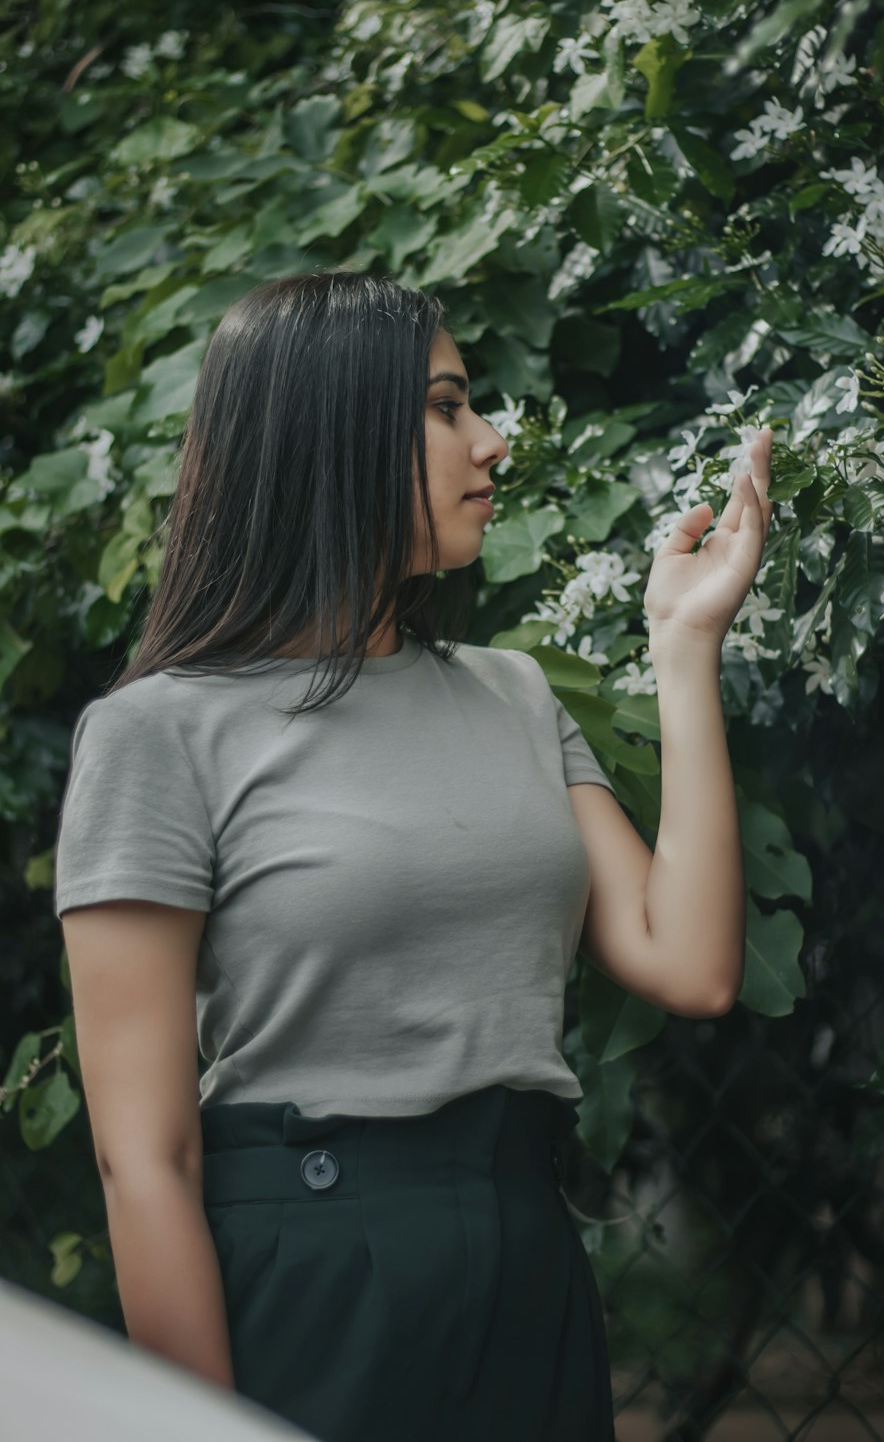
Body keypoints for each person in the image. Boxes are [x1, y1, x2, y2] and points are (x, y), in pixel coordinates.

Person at [54, 269, 773, 1442]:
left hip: (527, 1255)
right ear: (327, 431)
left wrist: (683, 648)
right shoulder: (157, 734)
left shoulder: (512, 693)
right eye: (446, 407)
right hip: (316, 1271)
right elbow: (147, 1160)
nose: (491, 443)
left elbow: (688, 964)